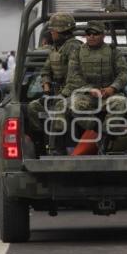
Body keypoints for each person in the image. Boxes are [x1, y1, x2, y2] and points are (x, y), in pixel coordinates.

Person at [49, 20, 127, 154]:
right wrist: (89, 89)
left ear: (103, 35)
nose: (91, 36)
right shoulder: (78, 52)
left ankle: (105, 142)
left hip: (108, 94)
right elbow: (73, 75)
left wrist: (112, 88)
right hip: (85, 94)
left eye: (95, 33)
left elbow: (124, 73)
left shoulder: (113, 52)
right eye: (88, 33)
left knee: (121, 103)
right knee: (69, 105)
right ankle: (57, 148)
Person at [27, 12, 81, 156]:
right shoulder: (55, 48)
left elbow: (75, 78)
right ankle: (40, 145)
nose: (51, 33)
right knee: (33, 107)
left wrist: (61, 96)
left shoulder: (74, 48)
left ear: (63, 30)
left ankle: (58, 148)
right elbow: (45, 71)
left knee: (59, 108)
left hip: (74, 94)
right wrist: (46, 90)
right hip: (56, 93)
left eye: (54, 30)